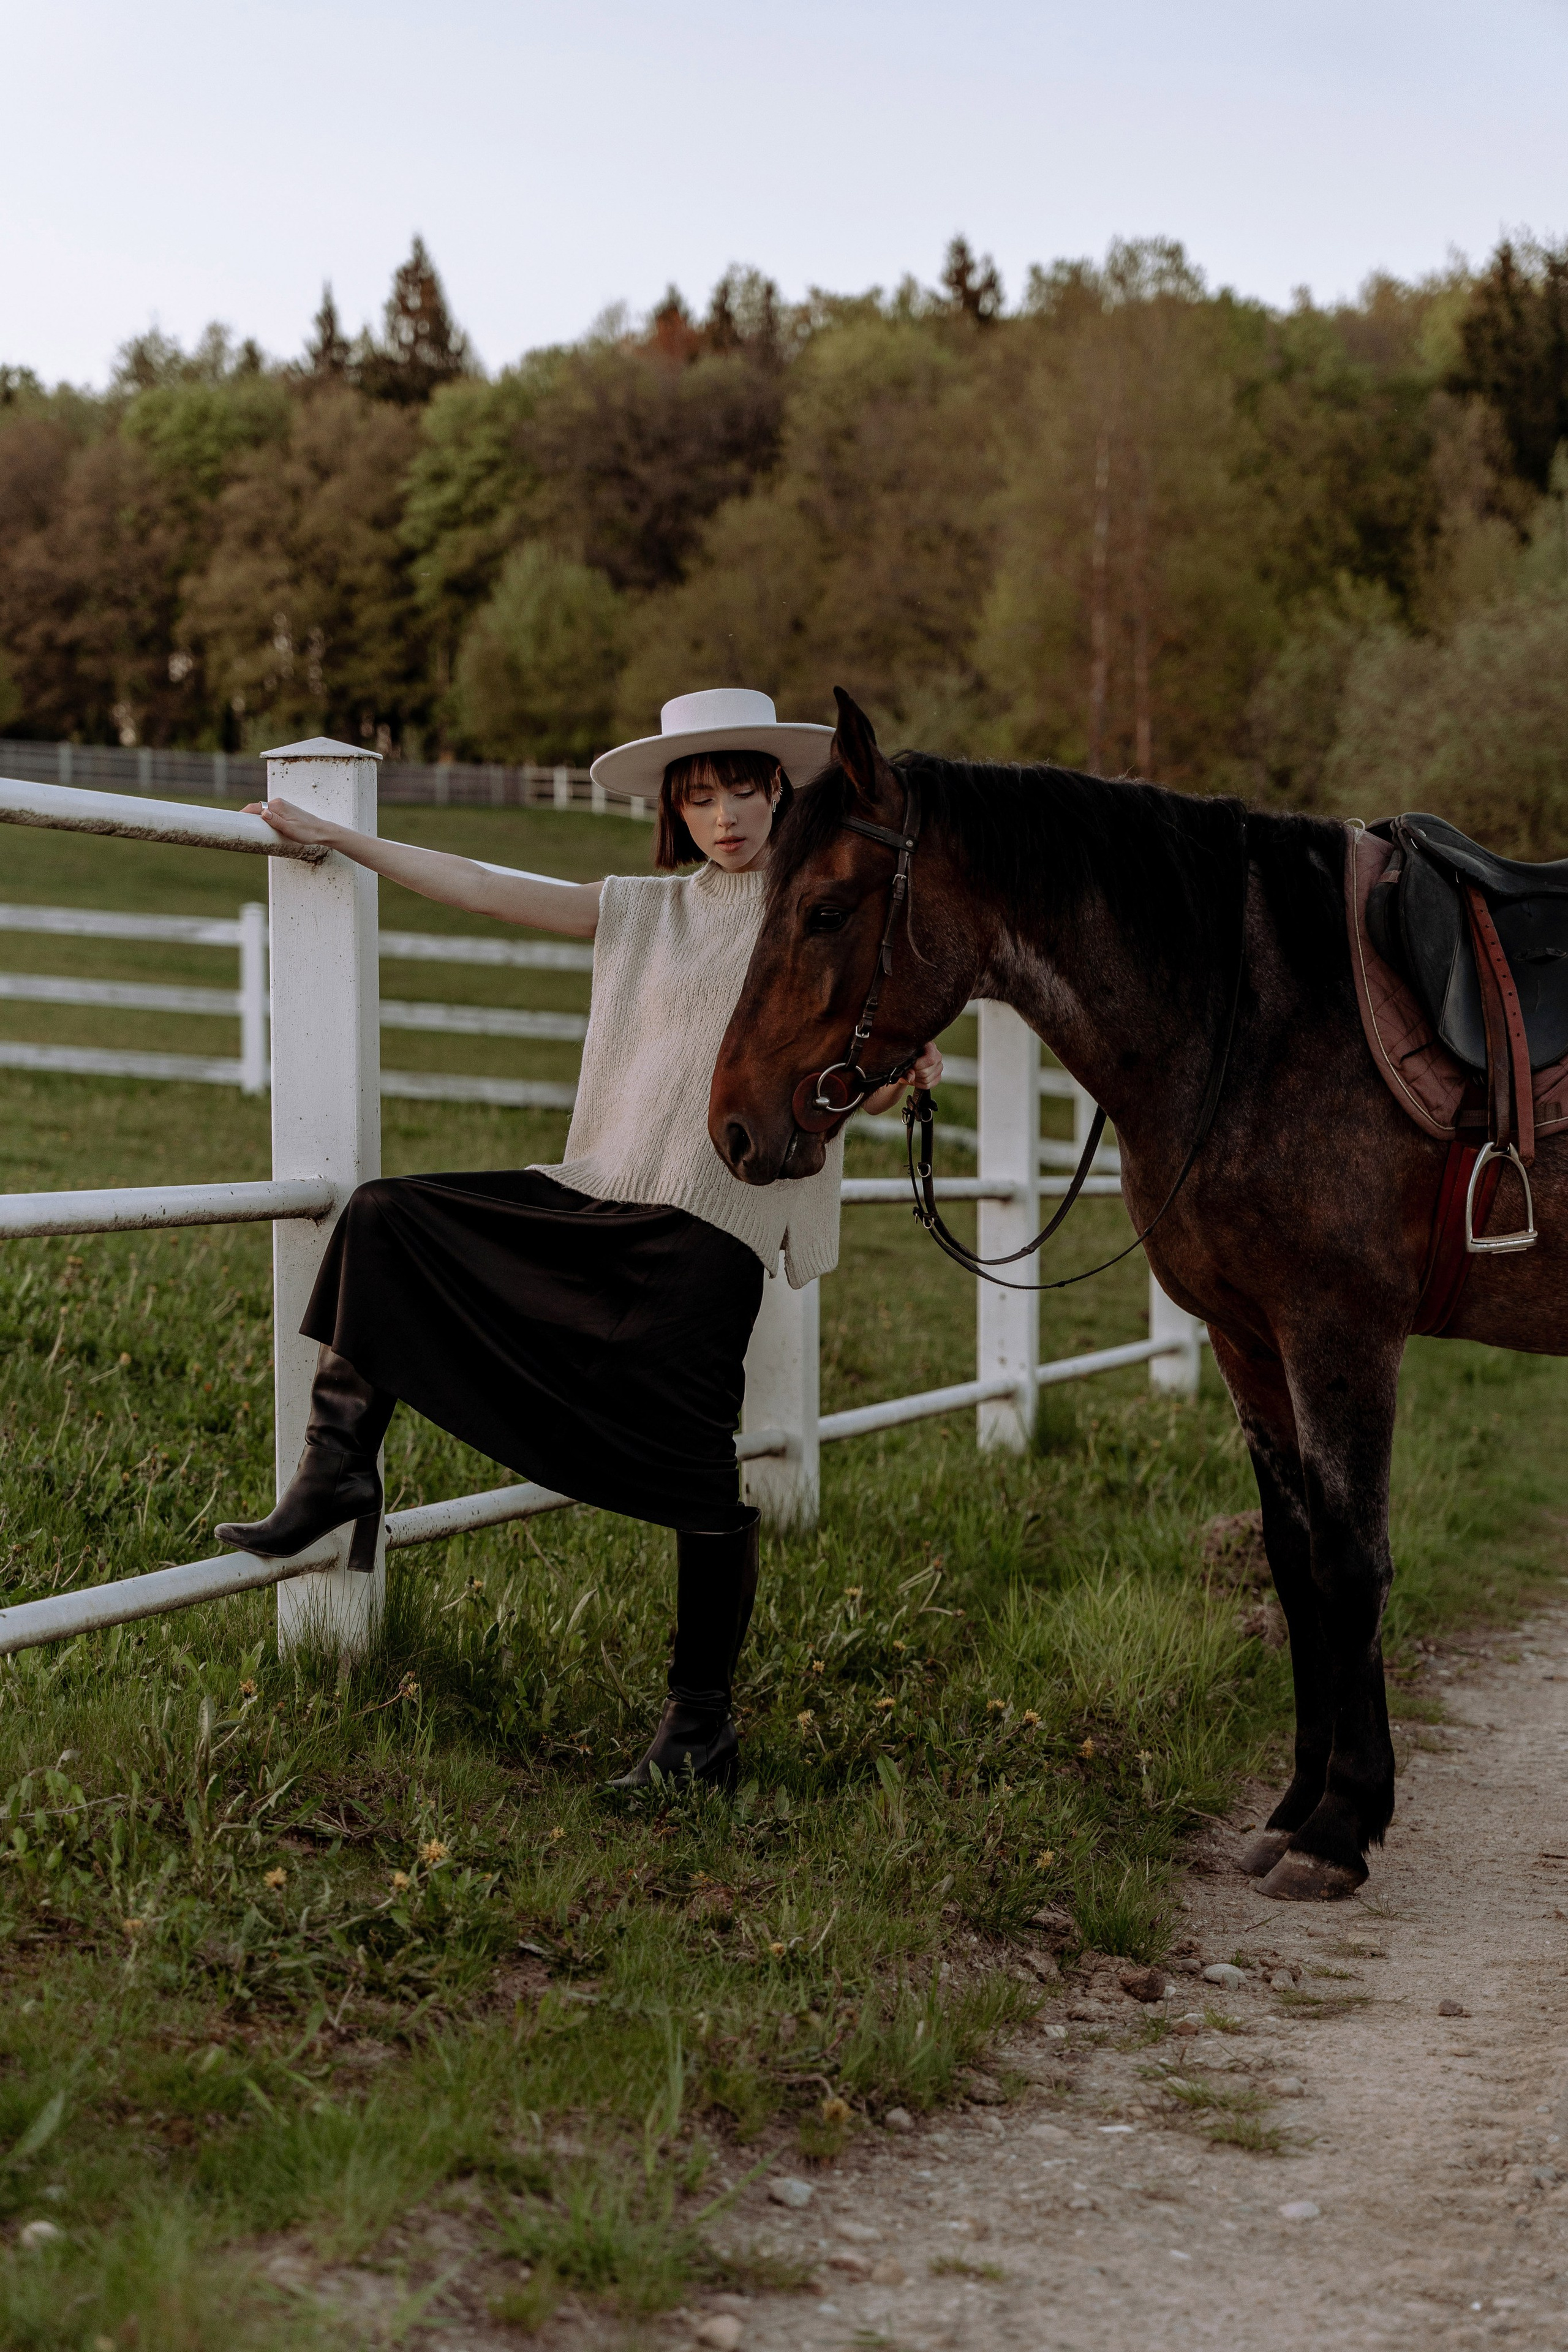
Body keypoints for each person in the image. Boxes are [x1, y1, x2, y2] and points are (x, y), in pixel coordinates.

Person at [215, 687, 943, 1786]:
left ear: (778, 788)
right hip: (597, 1198)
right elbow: (490, 887)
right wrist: (341, 839)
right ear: (677, 814)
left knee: (699, 1474)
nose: (727, 817)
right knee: (384, 1217)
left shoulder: (818, 912)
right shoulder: (646, 912)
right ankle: (339, 1468)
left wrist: (901, 1078)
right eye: (700, 798)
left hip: (710, 1236)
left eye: (743, 788)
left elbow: (850, 1076)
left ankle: (700, 1730)